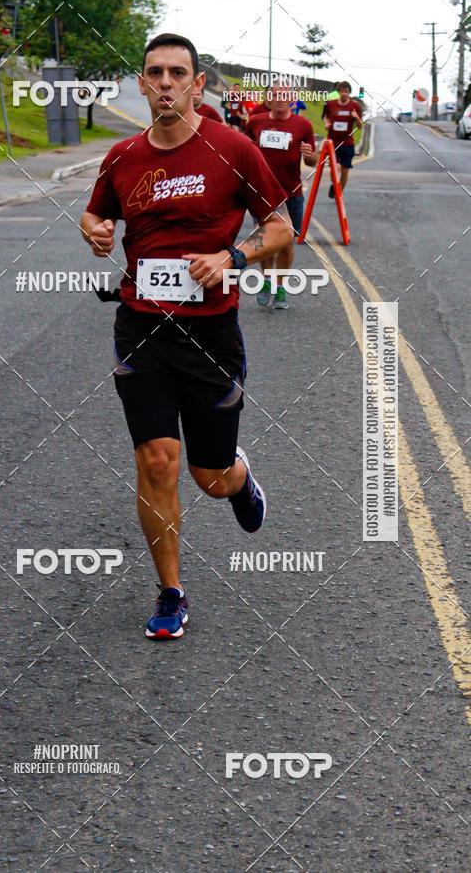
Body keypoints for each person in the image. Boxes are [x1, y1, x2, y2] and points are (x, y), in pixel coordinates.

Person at [80, 33, 291, 640]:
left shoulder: (233, 148)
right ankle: (171, 591)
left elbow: (279, 227)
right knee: (156, 460)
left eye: (178, 73)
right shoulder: (123, 156)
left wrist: (233, 257)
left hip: (210, 335)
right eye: (156, 73)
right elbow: (96, 213)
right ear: (142, 84)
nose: (166, 83)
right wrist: (94, 231)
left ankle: (237, 476)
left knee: (209, 475)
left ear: (197, 84)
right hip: (141, 328)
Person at [245, 84, 317, 309]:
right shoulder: (255, 122)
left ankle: (280, 286)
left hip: (291, 192)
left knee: (286, 243)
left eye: (284, 96)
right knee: (266, 241)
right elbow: (243, 151)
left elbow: (312, 161)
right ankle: (267, 281)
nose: (279, 99)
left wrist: (309, 155)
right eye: (275, 95)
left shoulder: (303, 125)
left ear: (292, 99)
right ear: (268, 98)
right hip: (263, 194)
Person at [322, 81, 363, 198]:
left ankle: (339, 194)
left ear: (349, 93)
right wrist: (326, 123)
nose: (344, 94)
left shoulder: (355, 106)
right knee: (335, 167)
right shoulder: (331, 104)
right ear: (338, 92)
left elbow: (360, 126)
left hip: (347, 143)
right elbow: (325, 117)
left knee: (345, 171)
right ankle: (334, 184)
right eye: (342, 91)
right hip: (333, 143)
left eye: (346, 92)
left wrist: (356, 118)